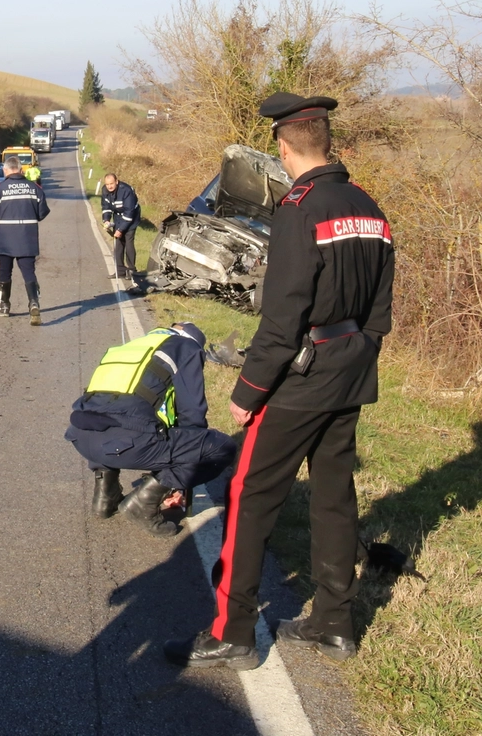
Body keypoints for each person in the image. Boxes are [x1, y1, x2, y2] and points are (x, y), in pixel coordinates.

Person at [165, 93, 394, 671]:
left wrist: (248, 391)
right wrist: (359, 353)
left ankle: (232, 632)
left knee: (249, 498)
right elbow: (381, 309)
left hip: (303, 373)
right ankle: (335, 622)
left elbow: (284, 310)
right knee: (335, 497)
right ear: (328, 142)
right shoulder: (369, 207)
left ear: (284, 147)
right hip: (352, 367)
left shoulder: (300, 207)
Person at [67, 323, 238, 532]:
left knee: (114, 418)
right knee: (222, 448)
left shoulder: (132, 347)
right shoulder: (187, 347)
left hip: (81, 438)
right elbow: (193, 417)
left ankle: (105, 496)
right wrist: (176, 479)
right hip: (125, 445)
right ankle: (142, 504)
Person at [0, 154, 49, 324]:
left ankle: (4, 305)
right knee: (28, 272)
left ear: (5, 170)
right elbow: (42, 213)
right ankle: (34, 303)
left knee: (5, 271)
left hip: (5, 238)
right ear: (21, 169)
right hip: (27, 237)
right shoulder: (34, 188)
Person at [99, 172, 141, 288]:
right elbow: (106, 207)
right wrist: (106, 220)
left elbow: (129, 213)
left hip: (131, 217)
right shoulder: (105, 191)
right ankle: (120, 270)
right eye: (107, 184)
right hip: (118, 216)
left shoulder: (126, 191)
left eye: (111, 184)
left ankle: (132, 269)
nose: (109, 187)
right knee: (118, 243)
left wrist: (121, 229)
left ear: (116, 182)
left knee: (128, 241)